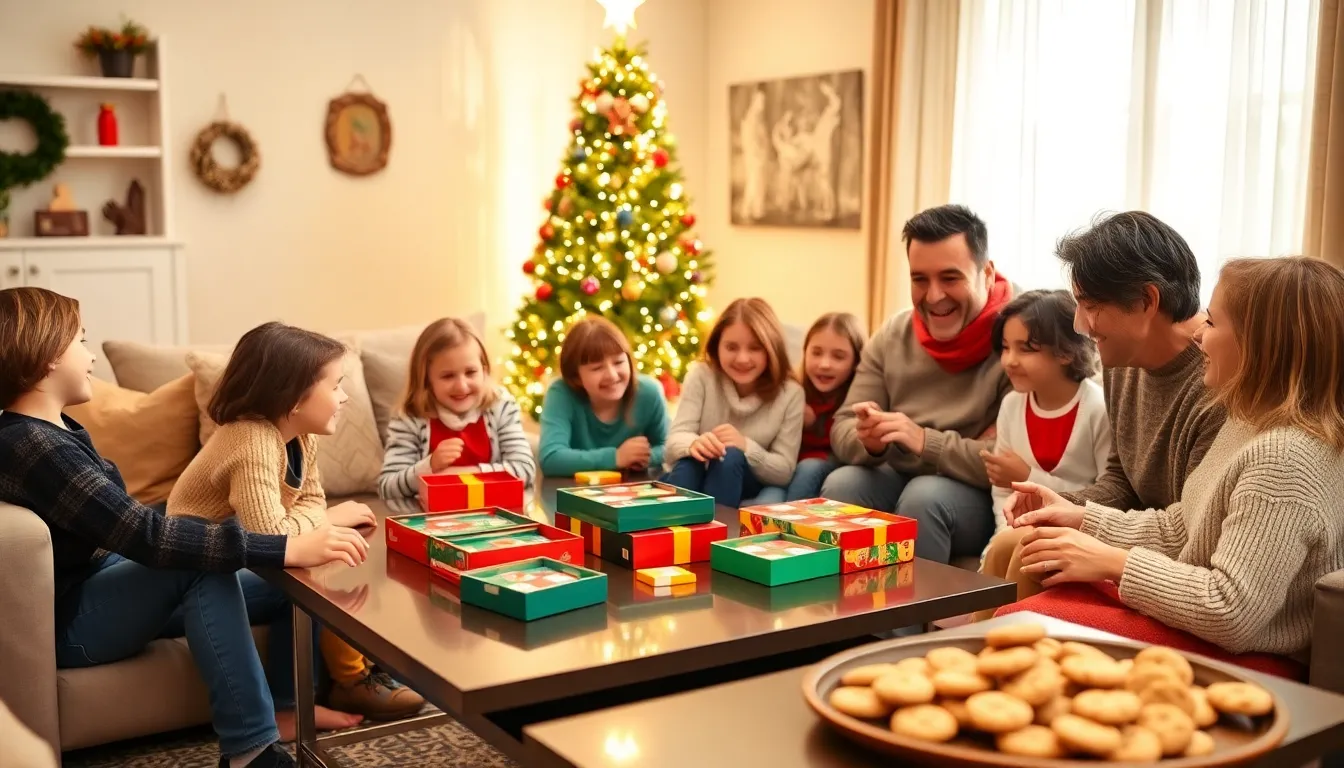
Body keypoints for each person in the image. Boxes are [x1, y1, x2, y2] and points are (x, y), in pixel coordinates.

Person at [0, 287, 369, 768]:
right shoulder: (32, 445)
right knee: (202, 565)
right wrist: (281, 548)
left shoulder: (56, 430)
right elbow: (145, 538)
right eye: (81, 342)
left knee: (286, 587)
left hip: (106, 590)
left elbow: (122, 526)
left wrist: (284, 554)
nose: (91, 356)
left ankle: (285, 709)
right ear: (48, 355)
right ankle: (251, 751)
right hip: (74, 626)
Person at [999, 257, 1344, 665]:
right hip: (1202, 624)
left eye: (1213, 323)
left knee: (1019, 622)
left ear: (1262, 345)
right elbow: (1183, 527)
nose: (1200, 338)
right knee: (1029, 560)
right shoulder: (1248, 421)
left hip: (1254, 656)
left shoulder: (1287, 458)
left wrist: (1110, 561)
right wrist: (1080, 518)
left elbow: (1230, 611)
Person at [168, 322, 425, 721]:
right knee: (308, 582)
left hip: (237, 565)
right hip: (190, 583)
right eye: (336, 386)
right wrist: (323, 519)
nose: (344, 398)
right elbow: (270, 538)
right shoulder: (251, 439)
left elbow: (310, 503)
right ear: (294, 397)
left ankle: (332, 688)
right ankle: (310, 700)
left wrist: (318, 517)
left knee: (322, 562)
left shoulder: (300, 435)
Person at [981, 211, 1226, 601]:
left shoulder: (1216, 379)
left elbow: (1193, 531)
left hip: (1174, 570)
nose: (1081, 325)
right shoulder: (1123, 361)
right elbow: (1122, 479)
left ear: (1147, 300)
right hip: (1133, 535)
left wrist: (1085, 524)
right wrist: (1061, 504)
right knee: (1012, 541)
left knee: (1028, 551)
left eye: (1090, 306)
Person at [822, 204, 1014, 564]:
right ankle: (840, 619)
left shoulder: (1021, 337)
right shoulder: (894, 334)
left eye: (950, 278)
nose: (934, 296)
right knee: (843, 484)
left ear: (986, 274)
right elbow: (842, 427)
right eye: (919, 279)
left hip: (978, 495)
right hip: (900, 475)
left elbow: (1010, 457)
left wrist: (925, 441)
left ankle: (908, 622)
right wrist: (870, 441)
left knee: (925, 496)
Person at [980, 290, 1110, 543]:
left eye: (1026, 349)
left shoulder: (1097, 409)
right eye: (1006, 348)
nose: (1009, 361)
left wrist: (1030, 478)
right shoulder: (1011, 405)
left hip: (1075, 539)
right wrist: (1004, 536)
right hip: (1015, 536)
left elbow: (1109, 494)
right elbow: (1002, 491)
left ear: (1066, 352)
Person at [661, 297, 804, 507]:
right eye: (731, 347)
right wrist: (694, 444)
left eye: (755, 348)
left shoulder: (791, 394)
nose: (742, 359)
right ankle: (667, 531)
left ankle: (714, 535)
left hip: (744, 478)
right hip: (695, 472)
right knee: (690, 463)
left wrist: (746, 446)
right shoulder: (701, 375)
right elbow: (673, 443)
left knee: (730, 456)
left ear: (771, 349)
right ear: (717, 345)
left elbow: (783, 471)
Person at [378, 318, 536, 501]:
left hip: (496, 518)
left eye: (470, 372)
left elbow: (525, 469)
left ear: (484, 370)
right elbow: (387, 486)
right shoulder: (410, 417)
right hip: (433, 523)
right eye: (447, 376)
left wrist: (461, 476)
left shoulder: (500, 406)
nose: (461, 386)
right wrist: (429, 466)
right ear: (426, 379)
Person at [538, 315, 669, 477]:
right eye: (597, 368)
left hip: (633, 492)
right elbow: (551, 458)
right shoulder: (560, 393)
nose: (612, 376)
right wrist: (616, 457)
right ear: (576, 376)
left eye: (619, 362)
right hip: (575, 493)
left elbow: (668, 446)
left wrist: (643, 457)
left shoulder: (649, 392)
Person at [788, 312, 864, 500]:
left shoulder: (858, 399)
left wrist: (814, 424)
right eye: (816, 353)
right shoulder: (794, 392)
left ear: (856, 361)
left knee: (809, 467)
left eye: (838, 357)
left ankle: (792, 526)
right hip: (788, 469)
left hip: (828, 467)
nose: (824, 364)